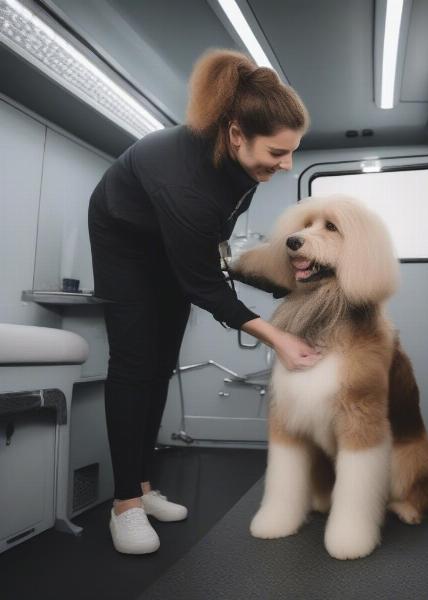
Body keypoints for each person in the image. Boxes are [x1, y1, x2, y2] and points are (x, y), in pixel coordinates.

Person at [88, 49, 321, 555]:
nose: (287, 165)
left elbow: (212, 248)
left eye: (292, 152)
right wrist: (278, 336)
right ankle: (124, 503)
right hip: (124, 242)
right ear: (238, 133)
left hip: (170, 237)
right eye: (279, 153)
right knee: (133, 365)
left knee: (160, 366)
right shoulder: (184, 179)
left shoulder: (241, 167)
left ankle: (143, 487)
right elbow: (203, 285)